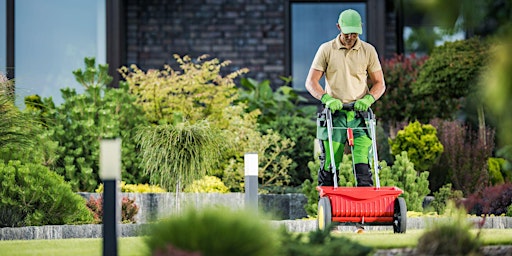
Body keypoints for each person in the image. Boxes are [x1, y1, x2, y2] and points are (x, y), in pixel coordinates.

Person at [305, 9, 386, 187]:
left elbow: (380, 83)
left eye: (355, 33)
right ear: (338, 27)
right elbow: (311, 82)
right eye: (347, 32)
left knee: (363, 162)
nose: (351, 36)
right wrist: (326, 98)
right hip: (335, 115)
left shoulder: (368, 51)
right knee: (330, 162)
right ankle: (327, 205)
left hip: (360, 115)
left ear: (360, 29)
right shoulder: (326, 50)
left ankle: (364, 207)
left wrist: (368, 99)